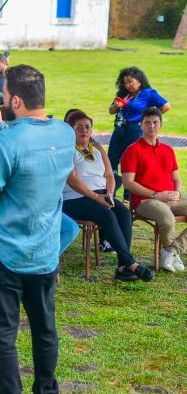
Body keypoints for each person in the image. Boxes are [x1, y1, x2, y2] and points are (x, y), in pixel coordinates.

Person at [0, 64, 75, 394]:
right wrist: (2, 127)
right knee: (45, 328)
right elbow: (31, 150)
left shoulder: (8, 142)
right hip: (45, 250)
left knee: (3, 333)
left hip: (6, 251)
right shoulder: (64, 133)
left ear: (14, 99)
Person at [62, 111, 152, 282]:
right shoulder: (66, 150)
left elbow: (110, 175)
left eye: (87, 127)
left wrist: (109, 194)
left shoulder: (97, 148)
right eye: (79, 127)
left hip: (101, 195)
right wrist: (96, 198)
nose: (84, 130)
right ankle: (130, 263)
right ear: (70, 130)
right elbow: (72, 180)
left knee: (124, 213)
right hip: (74, 198)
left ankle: (122, 266)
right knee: (106, 214)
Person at [121, 107, 186, 273]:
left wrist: (177, 192)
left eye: (155, 122)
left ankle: (171, 251)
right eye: (147, 123)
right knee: (167, 218)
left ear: (161, 125)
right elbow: (128, 183)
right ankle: (170, 253)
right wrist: (156, 194)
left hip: (172, 198)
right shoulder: (132, 150)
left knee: (169, 212)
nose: (151, 126)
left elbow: (177, 179)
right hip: (146, 201)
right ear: (141, 125)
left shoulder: (168, 150)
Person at [107, 67, 170, 181]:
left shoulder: (148, 93)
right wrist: (116, 106)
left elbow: (166, 106)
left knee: (131, 161)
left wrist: (150, 118)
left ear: (139, 81)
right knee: (112, 159)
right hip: (119, 129)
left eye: (131, 82)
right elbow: (111, 111)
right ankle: (111, 192)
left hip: (135, 130)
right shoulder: (124, 94)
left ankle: (128, 195)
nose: (128, 85)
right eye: (125, 83)